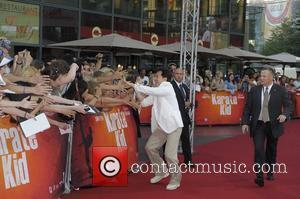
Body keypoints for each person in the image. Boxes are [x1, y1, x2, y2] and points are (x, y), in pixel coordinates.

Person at [125, 68, 183, 191]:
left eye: (157, 76)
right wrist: (135, 89)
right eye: (155, 76)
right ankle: (161, 172)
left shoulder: (167, 87)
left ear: (165, 78)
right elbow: (144, 102)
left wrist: (136, 85)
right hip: (162, 126)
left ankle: (175, 180)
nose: (155, 78)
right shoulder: (158, 91)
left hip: (174, 126)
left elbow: (150, 90)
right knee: (150, 147)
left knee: (169, 155)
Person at [242, 67, 292, 187]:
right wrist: (244, 122)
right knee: (258, 149)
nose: (261, 78)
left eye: (264, 76)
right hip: (258, 124)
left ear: (271, 77)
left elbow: (288, 106)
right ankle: (259, 175)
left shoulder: (280, 90)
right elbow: (247, 108)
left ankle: (270, 170)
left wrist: (284, 115)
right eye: (261, 76)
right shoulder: (254, 90)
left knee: (271, 149)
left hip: (273, 124)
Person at [171, 68, 192, 165]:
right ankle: (169, 161)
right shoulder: (170, 86)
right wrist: (183, 104)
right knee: (171, 141)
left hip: (184, 118)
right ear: (173, 74)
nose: (179, 75)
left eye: (181, 74)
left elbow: (190, 100)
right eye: (177, 74)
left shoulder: (184, 86)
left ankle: (188, 161)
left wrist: (190, 103)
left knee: (186, 139)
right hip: (173, 118)